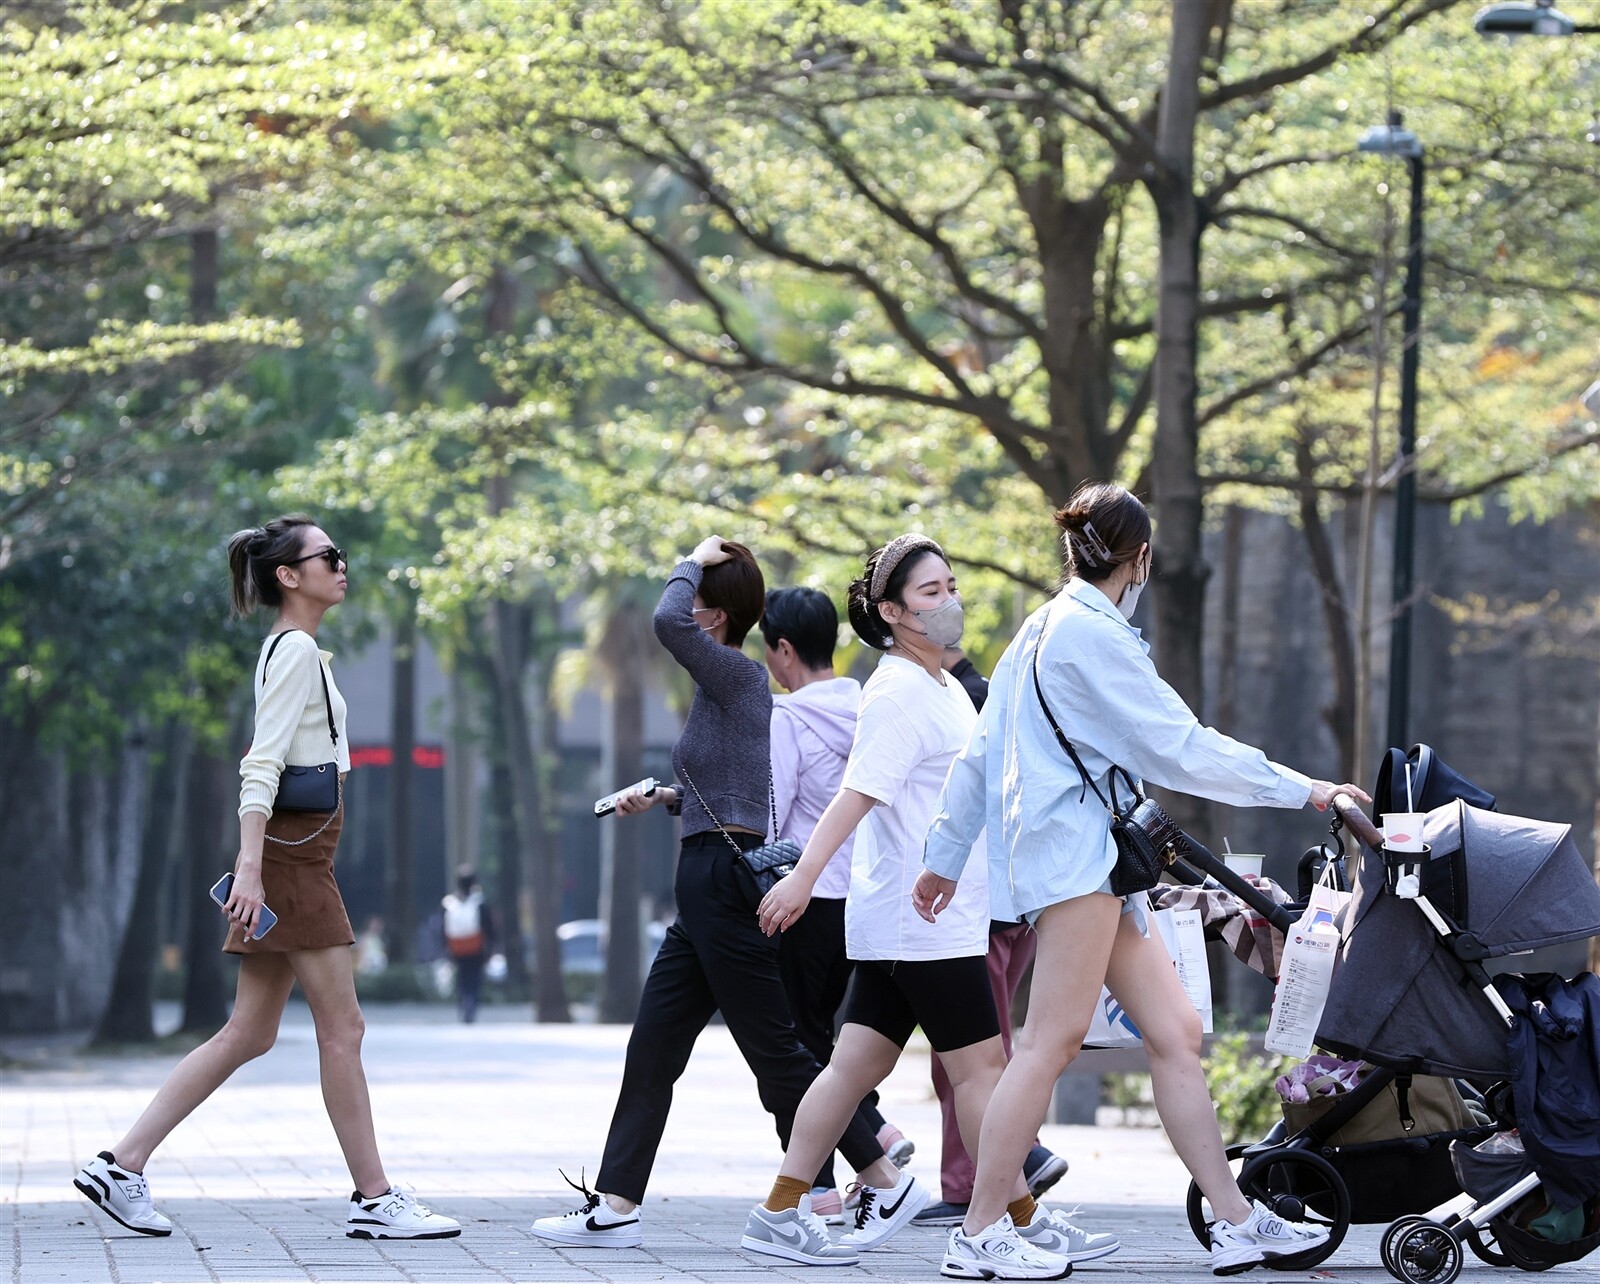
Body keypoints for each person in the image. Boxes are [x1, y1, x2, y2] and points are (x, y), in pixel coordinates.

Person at [915, 483, 1372, 1279]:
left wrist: (943, 857)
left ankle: (1233, 1221)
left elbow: (979, 757)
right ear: (1142, 560)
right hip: (1080, 866)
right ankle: (980, 1230)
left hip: (1086, 865)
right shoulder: (1092, 639)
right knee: (1048, 1044)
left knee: (1175, 1034)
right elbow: (1181, 747)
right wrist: (1308, 788)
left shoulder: (1035, 633)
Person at [73, 515, 459, 1242]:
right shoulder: (296, 652)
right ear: (290, 575)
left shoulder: (299, 650)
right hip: (293, 860)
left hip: (297, 855)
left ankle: (121, 1164)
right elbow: (262, 763)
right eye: (329, 557)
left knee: (248, 1033)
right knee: (343, 1027)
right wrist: (250, 869)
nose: (343, 566)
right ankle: (375, 1198)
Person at [740, 535, 1105, 1270]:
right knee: (982, 1076)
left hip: (914, 919)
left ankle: (780, 1211)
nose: (950, 602)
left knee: (849, 1072)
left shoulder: (936, 684)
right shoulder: (898, 693)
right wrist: (804, 877)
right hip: (922, 922)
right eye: (931, 593)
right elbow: (857, 795)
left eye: (951, 585)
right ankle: (997, 1227)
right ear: (890, 612)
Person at [531, 536, 887, 1250]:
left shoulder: (737, 676)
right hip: (706, 876)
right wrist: (668, 798)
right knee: (655, 1046)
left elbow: (664, 622)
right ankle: (617, 1202)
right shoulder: (730, 688)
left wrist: (690, 557)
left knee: (776, 1051)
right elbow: (743, 796)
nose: (683, 604)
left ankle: (882, 1173)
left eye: (695, 595)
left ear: (713, 613)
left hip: (720, 883)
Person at [762, 587, 914, 1221]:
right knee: (835, 1045)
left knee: (794, 1049)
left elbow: (776, 816)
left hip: (806, 898)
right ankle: (875, 1131)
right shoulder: (869, 703)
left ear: (785, 650)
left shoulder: (788, 719)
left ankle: (820, 1185)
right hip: (865, 902)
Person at [914, 646, 1075, 1232]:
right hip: (1009, 905)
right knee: (983, 1048)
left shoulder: (968, 699)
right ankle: (1000, 1172)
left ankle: (993, 1175)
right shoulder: (985, 693)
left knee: (973, 1055)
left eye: (942, 592)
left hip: (977, 909)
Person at [442, 868, 494, 1023]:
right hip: (475, 947)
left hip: (457, 947)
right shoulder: (479, 902)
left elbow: (442, 929)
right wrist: (490, 947)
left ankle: (463, 1004)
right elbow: (489, 927)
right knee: (474, 978)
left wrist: (446, 947)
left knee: (461, 978)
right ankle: (471, 1004)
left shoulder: (449, 903)